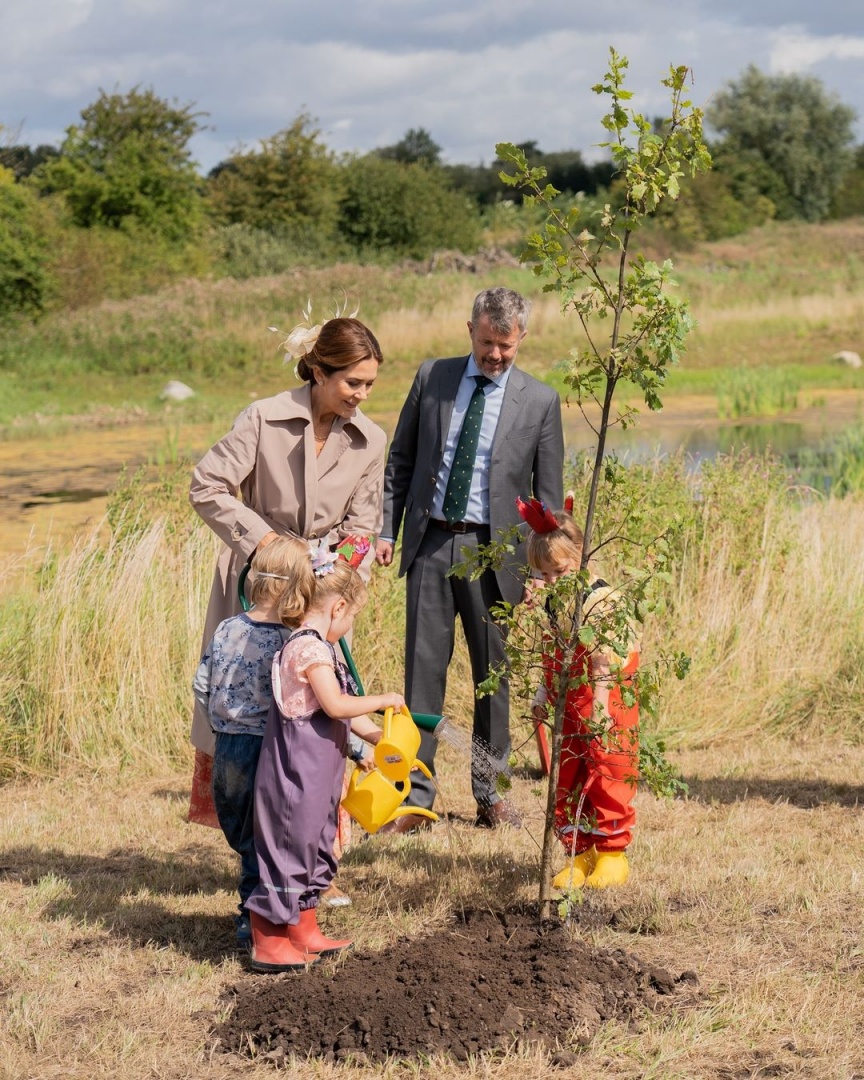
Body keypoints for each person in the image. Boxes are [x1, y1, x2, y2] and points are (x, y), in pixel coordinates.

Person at [188, 314, 387, 858]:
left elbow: (362, 530)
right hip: (260, 588)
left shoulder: (372, 439)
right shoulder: (262, 417)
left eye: (370, 384)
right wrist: (269, 544)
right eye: (353, 383)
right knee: (255, 718)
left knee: (318, 718)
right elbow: (207, 486)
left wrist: (340, 587)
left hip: (322, 597)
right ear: (319, 371)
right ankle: (259, 858)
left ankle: (318, 857)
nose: (362, 395)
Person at [375, 287, 564, 832]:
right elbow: (401, 461)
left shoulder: (541, 401)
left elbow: (547, 499)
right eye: (486, 343)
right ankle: (417, 797)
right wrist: (387, 530)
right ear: (470, 331)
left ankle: (492, 793)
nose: (495, 355)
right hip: (431, 543)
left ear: (521, 338)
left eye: (506, 346)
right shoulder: (431, 377)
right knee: (421, 676)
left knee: (494, 678)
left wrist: (547, 572)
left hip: (497, 555)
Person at [247, 543, 404, 973]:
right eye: (352, 615)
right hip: (294, 778)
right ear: (337, 608)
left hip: (320, 780)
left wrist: (384, 740)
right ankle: (269, 937)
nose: (351, 623)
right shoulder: (307, 650)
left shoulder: (327, 649)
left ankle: (303, 926)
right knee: (288, 848)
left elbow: (349, 713)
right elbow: (336, 706)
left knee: (316, 844)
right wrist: (385, 698)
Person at [192, 536, 316, 945]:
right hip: (267, 750)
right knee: (260, 839)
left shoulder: (228, 627)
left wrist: (218, 722)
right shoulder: (287, 641)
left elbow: (202, 684)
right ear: (298, 587)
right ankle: (254, 920)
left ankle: (257, 909)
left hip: (226, 745)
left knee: (239, 829)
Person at [519, 497, 639, 890]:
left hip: (606, 695)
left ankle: (611, 854)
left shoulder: (599, 601)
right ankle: (580, 851)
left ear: (581, 557)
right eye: (542, 574)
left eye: (559, 571)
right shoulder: (554, 599)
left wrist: (602, 711)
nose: (551, 581)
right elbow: (550, 651)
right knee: (568, 770)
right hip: (570, 695)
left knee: (607, 766)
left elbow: (603, 663)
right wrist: (542, 691)